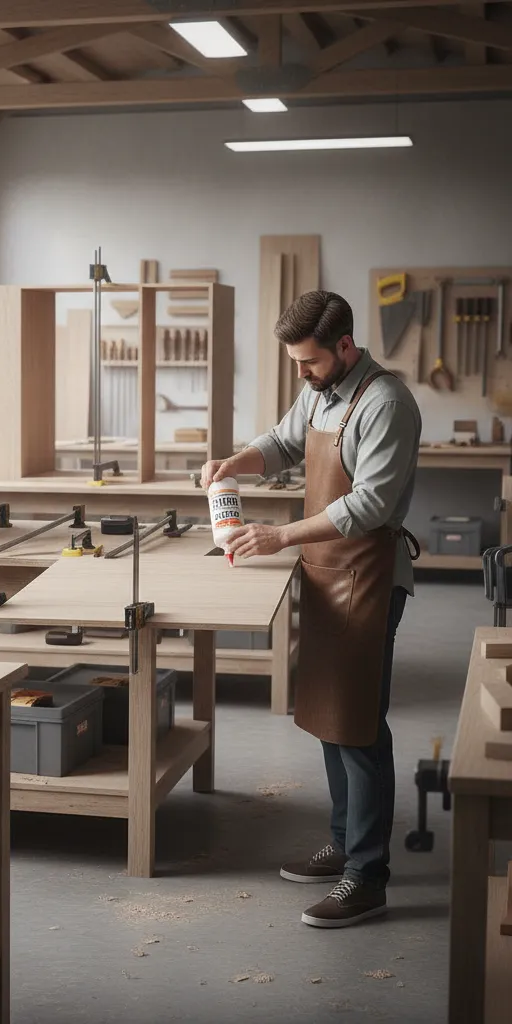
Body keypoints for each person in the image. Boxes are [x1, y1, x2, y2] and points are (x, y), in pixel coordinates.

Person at [201, 290, 421, 929]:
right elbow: (283, 441)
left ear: (345, 347)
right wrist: (236, 461)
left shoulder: (385, 402)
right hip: (328, 571)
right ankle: (344, 840)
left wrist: (277, 537)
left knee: (359, 725)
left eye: (310, 361)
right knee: (328, 712)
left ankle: (368, 874)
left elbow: (369, 507)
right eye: (297, 361)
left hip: (370, 575)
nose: (302, 371)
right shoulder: (323, 392)